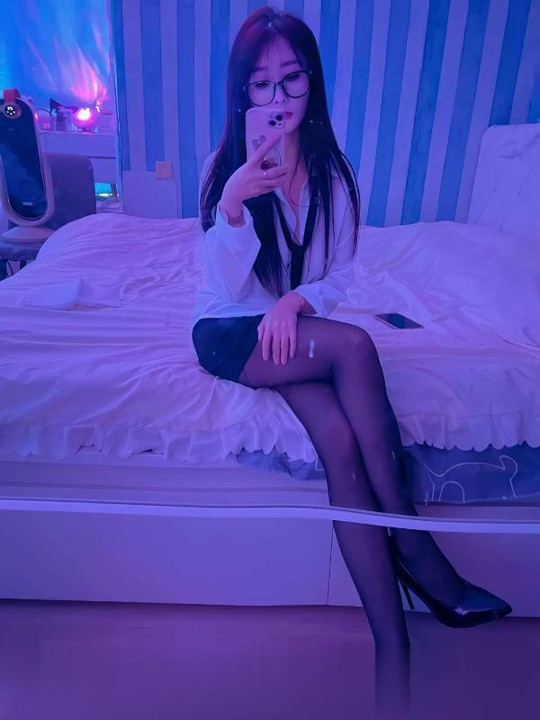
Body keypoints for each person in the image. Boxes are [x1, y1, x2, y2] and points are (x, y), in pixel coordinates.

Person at [191, 6, 512, 717]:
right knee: (358, 346)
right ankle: (420, 553)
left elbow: (338, 276)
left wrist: (293, 302)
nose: (277, 98)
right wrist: (236, 206)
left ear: (312, 82)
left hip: (290, 333)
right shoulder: (224, 169)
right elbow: (223, 288)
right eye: (260, 85)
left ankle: (394, 653)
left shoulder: (333, 174)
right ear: (241, 95)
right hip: (228, 331)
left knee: (339, 439)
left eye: (291, 79)